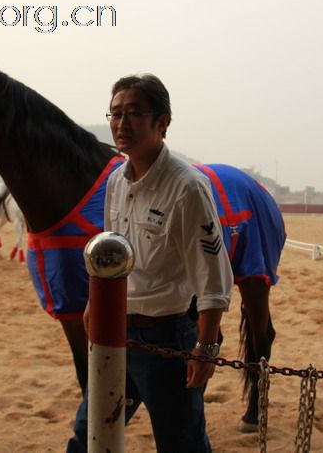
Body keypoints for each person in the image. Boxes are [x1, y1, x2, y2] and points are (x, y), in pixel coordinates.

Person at [66, 74, 233, 452]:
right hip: (114, 332)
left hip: (167, 340)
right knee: (88, 433)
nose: (122, 124)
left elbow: (214, 277)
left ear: (162, 123)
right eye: (116, 113)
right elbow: (112, 255)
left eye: (135, 114)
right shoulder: (116, 183)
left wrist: (205, 348)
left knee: (181, 444)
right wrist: (95, 304)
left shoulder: (187, 187)